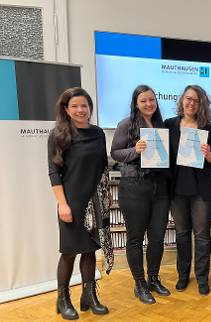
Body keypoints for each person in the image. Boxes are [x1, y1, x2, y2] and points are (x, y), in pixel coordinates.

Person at [48, 87, 110, 320]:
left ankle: (89, 296)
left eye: (84, 105)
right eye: (74, 106)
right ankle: (62, 299)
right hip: (71, 202)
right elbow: (54, 173)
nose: (80, 110)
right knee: (69, 252)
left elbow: (103, 166)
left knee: (90, 249)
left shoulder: (98, 133)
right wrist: (62, 205)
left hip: (94, 200)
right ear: (66, 109)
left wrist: (106, 194)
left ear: (90, 108)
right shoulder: (59, 135)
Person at [111, 85, 171, 304]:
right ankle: (139, 284)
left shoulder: (161, 126)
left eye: (152, 100)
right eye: (143, 100)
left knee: (157, 237)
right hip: (134, 186)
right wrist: (134, 151)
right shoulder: (125, 124)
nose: (148, 104)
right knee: (135, 238)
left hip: (160, 188)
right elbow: (115, 153)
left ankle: (153, 278)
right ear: (136, 103)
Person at [164, 85, 211, 296]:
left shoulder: (208, 127)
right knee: (182, 235)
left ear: (201, 104)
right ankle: (183, 276)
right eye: (188, 99)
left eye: (196, 100)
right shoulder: (170, 124)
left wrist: (209, 155)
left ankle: (203, 278)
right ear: (182, 100)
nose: (191, 103)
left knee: (203, 236)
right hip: (177, 189)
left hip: (201, 191)